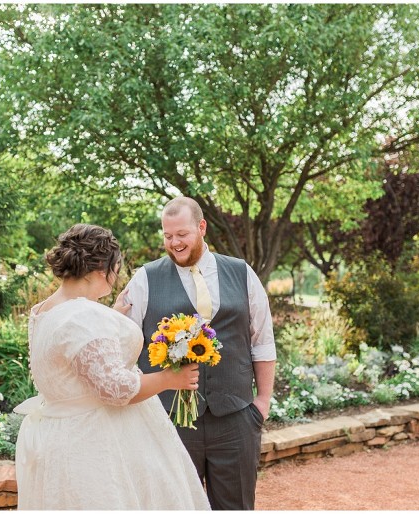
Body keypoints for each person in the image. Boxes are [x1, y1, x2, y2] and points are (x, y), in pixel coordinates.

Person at [14, 223, 210, 511]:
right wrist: (170, 378)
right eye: (115, 269)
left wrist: (111, 316)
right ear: (99, 270)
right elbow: (116, 389)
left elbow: (75, 360)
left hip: (61, 436)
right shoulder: (84, 316)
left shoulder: (45, 310)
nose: (116, 278)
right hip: (97, 443)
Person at [117, 196, 276, 510]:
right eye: (168, 236)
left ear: (201, 227)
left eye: (182, 234)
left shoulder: (242, 273)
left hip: (235, 418)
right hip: (170, 422)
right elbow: (122, 346)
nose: (174, 243)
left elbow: (262, 342)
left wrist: (261, 405)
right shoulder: (145, 279)